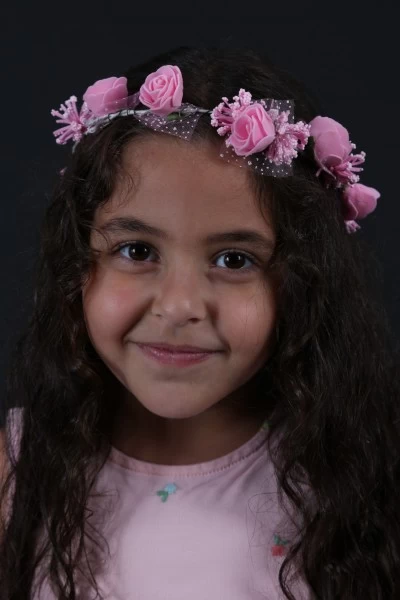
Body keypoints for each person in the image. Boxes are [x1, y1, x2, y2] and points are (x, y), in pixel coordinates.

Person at [0, 46, 399, 599]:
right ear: (76, 265)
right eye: (137, 251)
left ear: (304, 281)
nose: (179, 305)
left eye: (234, 259)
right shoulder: (16, 472)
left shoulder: (360, 476)